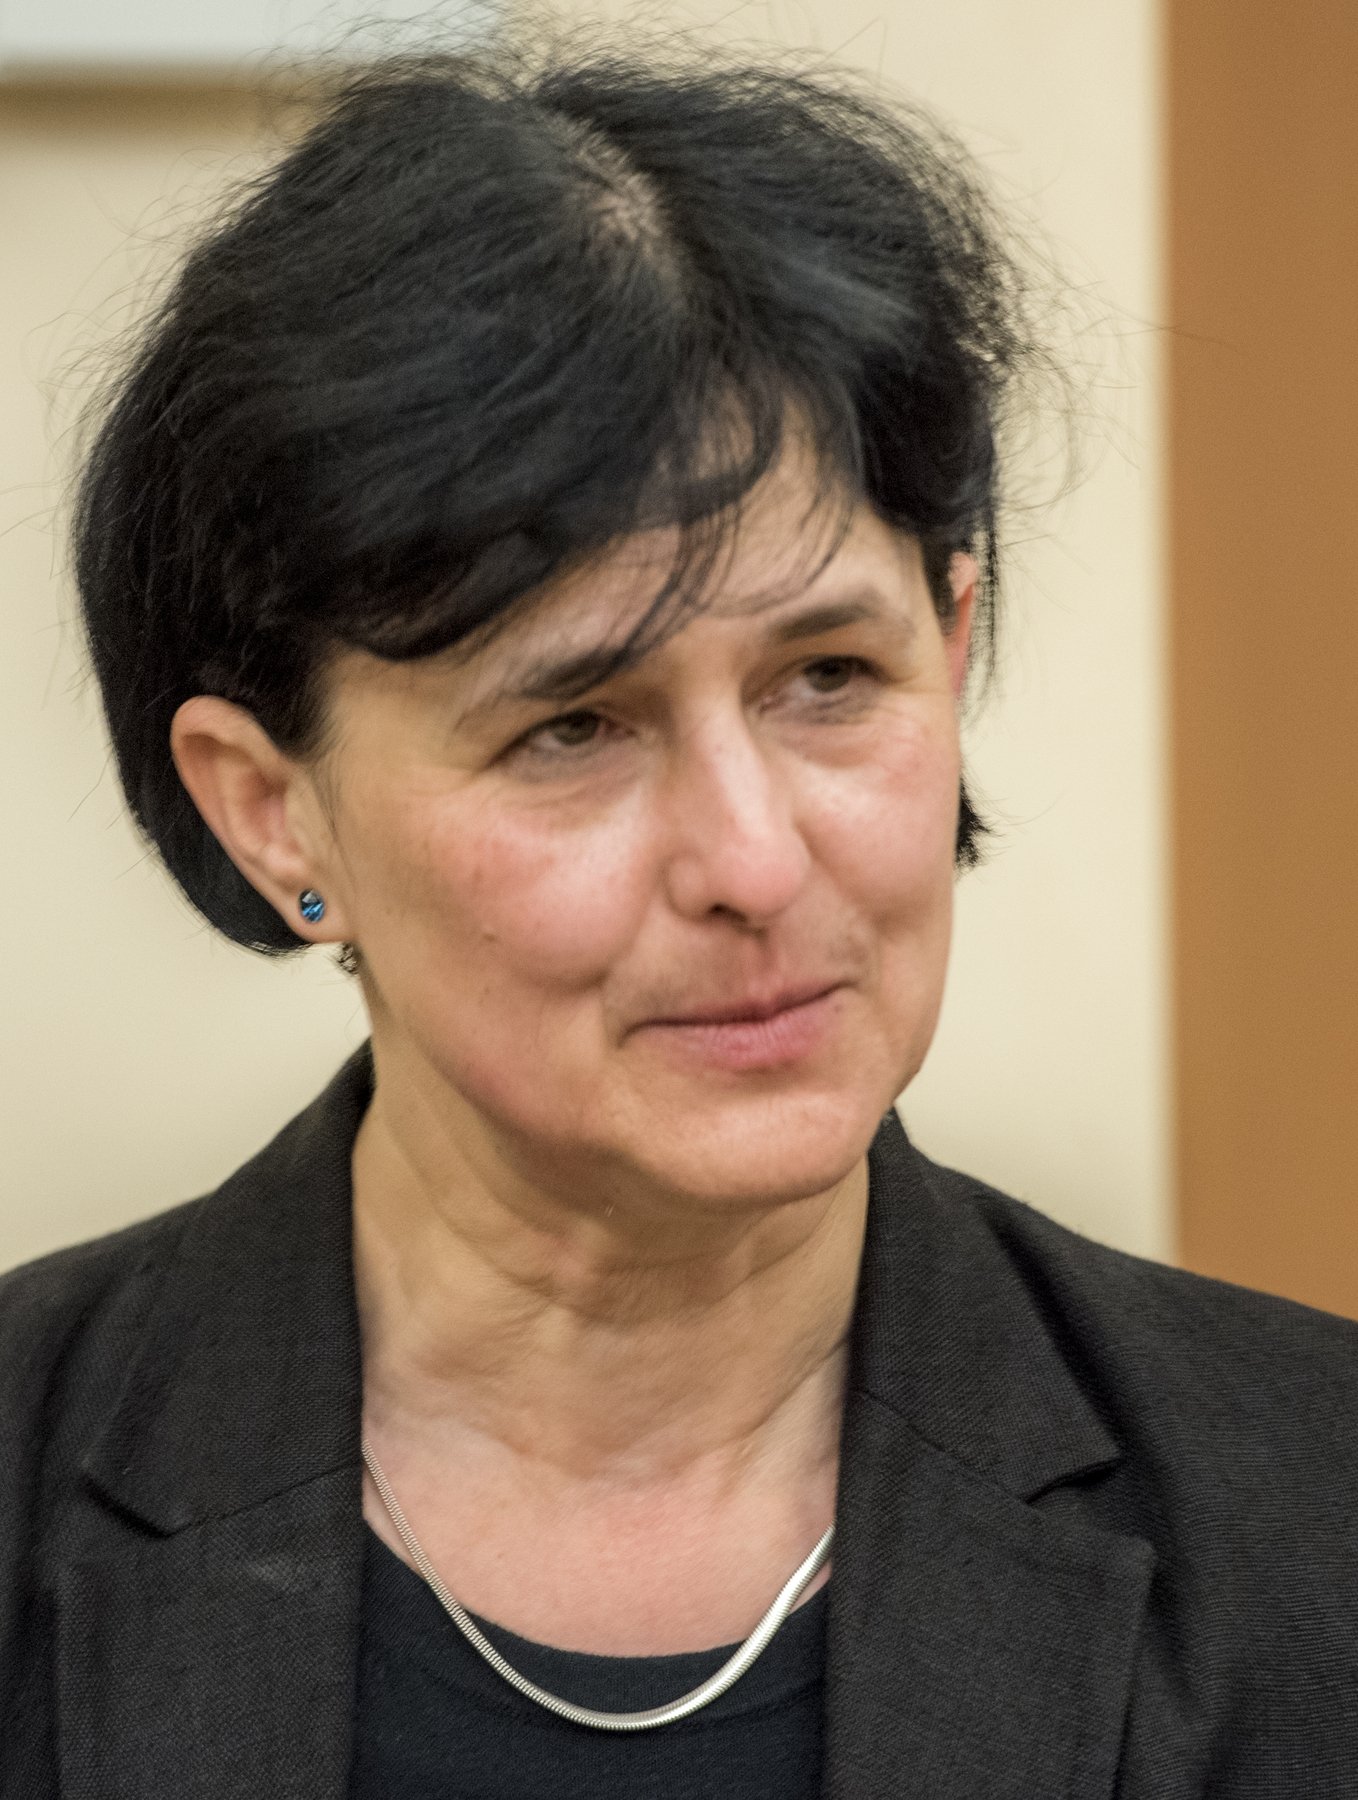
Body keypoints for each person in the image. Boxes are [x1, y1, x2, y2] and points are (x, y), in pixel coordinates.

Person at [2, 35, 1357, 1800]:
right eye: (573, 726)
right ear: (273, 810)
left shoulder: (1314, 1515)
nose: (754, 861)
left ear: (952, 651)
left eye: (829, 677)